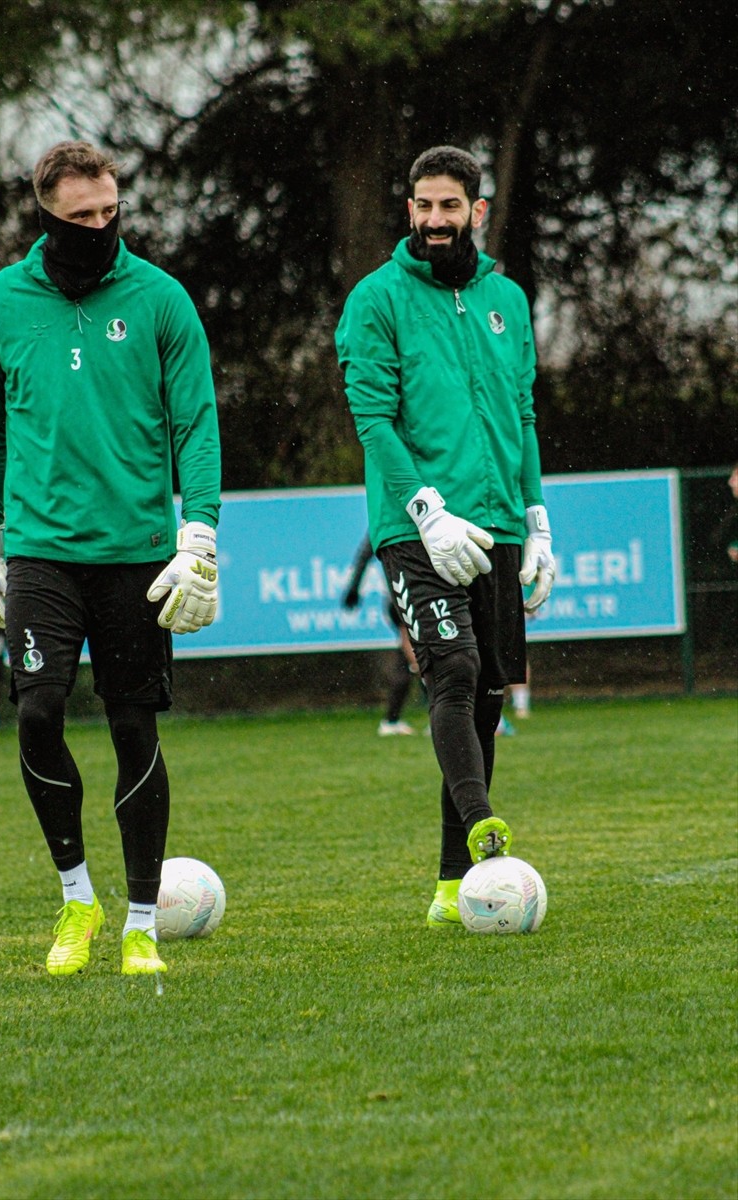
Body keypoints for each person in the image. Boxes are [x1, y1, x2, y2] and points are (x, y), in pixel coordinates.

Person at [0, 140, 221, 977]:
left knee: (131, 723)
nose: (100, 228)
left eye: (111, 213)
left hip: (137, 554)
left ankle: (142, 923)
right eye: (81, 217)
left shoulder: (162, 299)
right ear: (46, 214)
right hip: (39, 553)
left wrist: (201, 533)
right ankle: (79, 899)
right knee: (36, 712)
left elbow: (197, 423)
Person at [335, 145, 556, 928]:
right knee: (453, 669)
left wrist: (535, 520)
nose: (435, 220)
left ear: (477, 212)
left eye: (449, 207)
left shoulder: (508, 300)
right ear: (409, 212)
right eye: (423, 206)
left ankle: (447, 886)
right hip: (415, 526)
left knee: (488, 699)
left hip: (496, 526)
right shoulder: (376, 299)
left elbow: (523, 416)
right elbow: (374, 418)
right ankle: (483, 829)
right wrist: (425, 508)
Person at [343, 531, 422, 735]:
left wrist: (354, 587)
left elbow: (364, 555)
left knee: (407, 659)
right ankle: (447, 713)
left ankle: (391, 720)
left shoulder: (385, 520)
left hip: (401, 598)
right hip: (408, 598)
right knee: (421, 656)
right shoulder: (411, 516)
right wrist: (353, 588)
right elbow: (365, 553)